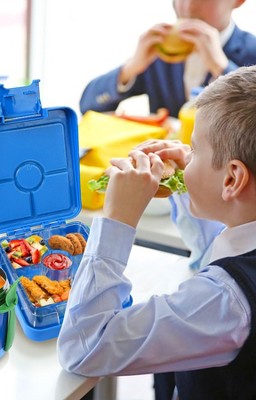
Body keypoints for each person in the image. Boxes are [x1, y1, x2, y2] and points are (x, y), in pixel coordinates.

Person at [57, 65, 256, 399]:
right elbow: (214, 253)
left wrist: (118, 220)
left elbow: (83, 348)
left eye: (195, 149)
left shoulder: (226, 300)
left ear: (232, 179)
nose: (186, 156)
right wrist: (187, 183)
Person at [79, 0, 256, 118]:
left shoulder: (252, 51)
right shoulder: (160, 50)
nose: (188, 7)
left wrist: (222, 68)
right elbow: (88, 106)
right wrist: (130, 68)